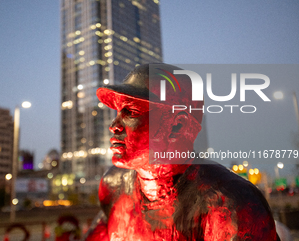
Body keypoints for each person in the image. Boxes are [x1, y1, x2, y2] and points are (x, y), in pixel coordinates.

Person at [84, 63, 279, 241]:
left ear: (177, 126)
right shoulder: (113, 185)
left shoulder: (231, 204)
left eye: (131, 112)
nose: (114, 126)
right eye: (118, 112)